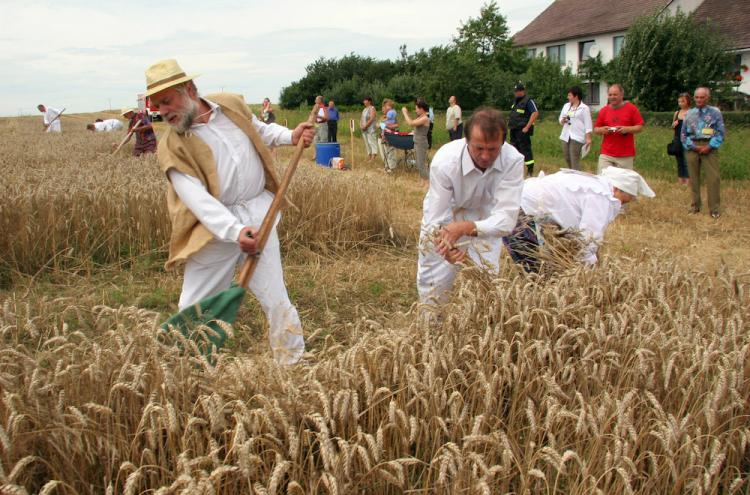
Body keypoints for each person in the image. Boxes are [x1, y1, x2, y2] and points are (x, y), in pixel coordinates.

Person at [143, 58, 315, 364]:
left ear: (190, 90)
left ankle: (293, 363)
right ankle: (188, 367)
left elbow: (258, 130)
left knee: (276, 296)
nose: (163, 111)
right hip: (213, 231)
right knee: (196, 304)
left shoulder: (230, 105)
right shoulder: (172, 145)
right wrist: (235, 232)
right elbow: (197, 200)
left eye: (167, 101)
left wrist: (289, 136)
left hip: (260, 215)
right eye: (157, 105)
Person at [417, 107, 524, 305]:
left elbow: (507, 220)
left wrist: (468, 227)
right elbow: (436, 215)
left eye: (493, 149)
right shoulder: (445, 162)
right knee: (433, 286)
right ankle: (431, 330)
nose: (485, 156)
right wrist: (445, 246)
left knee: (486, 286)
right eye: (479, 148)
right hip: (447, 217)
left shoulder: (513, 161)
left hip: (486, 221)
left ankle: (478, 330)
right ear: (466, 141)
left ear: (503, 142)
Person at [503, 167, 655, 272]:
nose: (622, 205)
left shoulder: (592, 185)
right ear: (616, 189)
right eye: (624, 200)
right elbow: (588, 239)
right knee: (534, 271)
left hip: (513, 202)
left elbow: (573, 228)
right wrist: (591, 274)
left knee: (541, 267)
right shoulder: (601, 197)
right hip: (517, 210)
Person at [680, 86, 725, 219]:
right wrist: (692, 146)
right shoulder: (689, 113)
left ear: (708, 98)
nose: (699, 100)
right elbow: (683, 134)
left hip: (709, 146)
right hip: (692, 147)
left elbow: (721, 132)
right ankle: (695, 206)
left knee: (713, 179)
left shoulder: (715, 112)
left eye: (702, 97)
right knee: (693, 179)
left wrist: (710, 146)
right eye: (697, 97)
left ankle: (714, 209)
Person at [593, 84, 644, 173]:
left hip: (625, 155)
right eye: (610, 95)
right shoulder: (604, 111)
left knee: (623, 183)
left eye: (615, 94)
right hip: (606, 154)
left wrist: (627, 129)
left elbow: (640, 127)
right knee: (604, 181)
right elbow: (596, 129)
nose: (612, 97)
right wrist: (602, 130)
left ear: (621, 95)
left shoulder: (631, 109)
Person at [558, 86, 592, 170]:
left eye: (569, 95)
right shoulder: (566, 106)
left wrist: (588, 138)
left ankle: (577, 177)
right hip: (566, 135)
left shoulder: (584, 108)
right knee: (567, 157)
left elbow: (588, 124)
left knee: (574, 159)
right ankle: (572, 175)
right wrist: (563, 120)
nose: (568, 97)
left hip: (577, 136)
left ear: (576, 96)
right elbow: (560, 119)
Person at [508, 83, 539, 176]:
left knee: (525, 149)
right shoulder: (516, 101)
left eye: (517, 91)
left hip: (522, 130)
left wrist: (527, 127)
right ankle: (515, 170)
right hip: (513, 129)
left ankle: (530, 170)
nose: (516, 93)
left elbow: (535, 113)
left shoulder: (528, 101)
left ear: (522, 91)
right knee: (514, 150)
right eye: (515, 91)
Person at [401, 98, 431, 187]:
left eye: (417, 108)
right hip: (417, 142)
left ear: (421, 108)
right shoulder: (421, 117)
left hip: (421, 143)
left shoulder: (425, 118)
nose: (415, 110)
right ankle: (423, 180)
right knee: (419, 163)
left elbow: (411, 123)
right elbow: (414, 125)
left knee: (421, 163)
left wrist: (405, 113)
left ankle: (428, 182)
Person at [671, 93, 691, 186]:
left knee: (686, 160)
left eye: (683, 101)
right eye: (679, 101)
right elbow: (672, 127)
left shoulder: (692, 112)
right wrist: (673, 125)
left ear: (688, 101)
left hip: (688, 139)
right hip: (677, 139)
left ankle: (688, 181)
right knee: (679, 160)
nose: (681, 103)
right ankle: (680, 180)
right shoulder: (677, 113)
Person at [379, 98, 399, 173]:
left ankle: (392, 168)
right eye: (383, 107)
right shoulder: (383, 117)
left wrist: (385, 125)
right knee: (383, 152)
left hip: (390, 135)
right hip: (382, 135)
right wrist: (381, 125)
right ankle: (386, 167)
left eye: (386, 106)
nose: (383, 109)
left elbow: (396, 125)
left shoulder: (392, 115)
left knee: (390, 151)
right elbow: (379, 125)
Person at [360, 96, 378, 161]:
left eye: (365, 100)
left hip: (371, 129)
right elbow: (362, 118)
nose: (364, 102)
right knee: (367, 143)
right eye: (364, 100)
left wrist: (366, 126)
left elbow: (372, 118)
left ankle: (373, 157)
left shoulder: (372, 108)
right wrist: (361, 126)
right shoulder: (364, 109)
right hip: (364, 129)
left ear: (369, 101)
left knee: (372, 142)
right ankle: (369, 156)